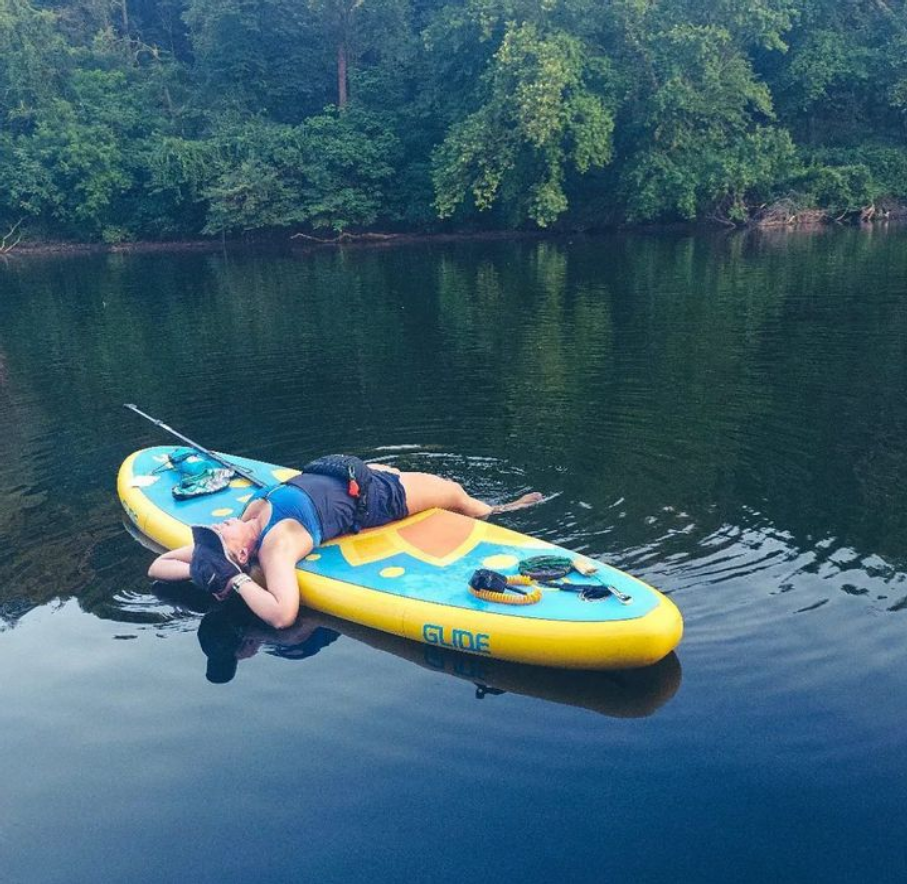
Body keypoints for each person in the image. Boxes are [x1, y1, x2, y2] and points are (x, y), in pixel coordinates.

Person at [149, 460, 541, 629]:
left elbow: (159, 566)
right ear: (237, 555)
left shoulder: (249, 518)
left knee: (403, 473)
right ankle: (500, 510)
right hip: (381, 499)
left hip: (352, 476)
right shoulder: (277, 545)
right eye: (218, 533)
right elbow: (283, 615)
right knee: (456, 495)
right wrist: (238, 582)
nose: (220, 523)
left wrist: (211, 569)